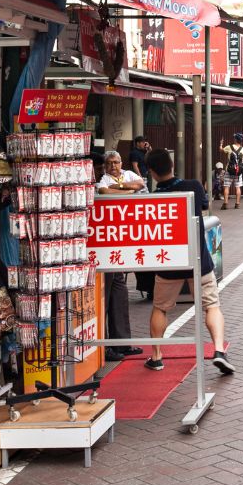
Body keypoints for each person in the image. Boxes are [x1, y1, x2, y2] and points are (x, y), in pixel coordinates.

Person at [144, 149, 233, 375]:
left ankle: (156, 356)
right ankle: (219, 350)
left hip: (169, 263)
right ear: (172, 165)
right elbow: (204, 206)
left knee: (160, 308)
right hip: (198, 260)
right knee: (211, 305)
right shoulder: (193, 186)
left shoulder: (152, 197)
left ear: (152, 172)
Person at [95, 152, 145, 361]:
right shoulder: (103, 180)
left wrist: (121, 189)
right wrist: (127, 190)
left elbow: (140, 185)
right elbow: (105, 192)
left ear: (121, 163)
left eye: (116, 162)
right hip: (105, 243)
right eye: (109, 163)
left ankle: (122, 343)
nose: (113, 166)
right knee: (105, 295)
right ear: (105, 166)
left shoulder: (129, 174)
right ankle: (106, 347)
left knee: (120, 291)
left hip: (123, 243)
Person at [219, 132, 243, 210]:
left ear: (236, 139)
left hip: (229, 171)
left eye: (234, 138)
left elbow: (221, 150)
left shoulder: (229, 147)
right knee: (238, 187)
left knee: (226, 187)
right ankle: (237, 204)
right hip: (238, 172)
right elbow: (242, 159)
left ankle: (225, 204)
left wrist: (221, 144)